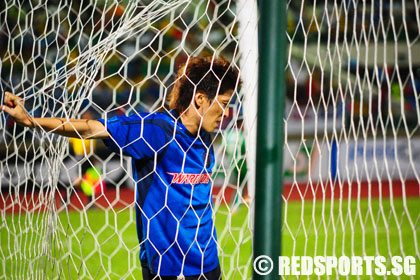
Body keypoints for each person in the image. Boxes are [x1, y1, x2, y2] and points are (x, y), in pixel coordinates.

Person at [1, 56, 240, 280]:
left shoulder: (205, 137)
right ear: (200, 98)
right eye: (224, 104)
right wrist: (30, 121)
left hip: (209, 262)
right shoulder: (156, 130)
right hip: (169, 266)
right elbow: (90, 128)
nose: (227, 112)